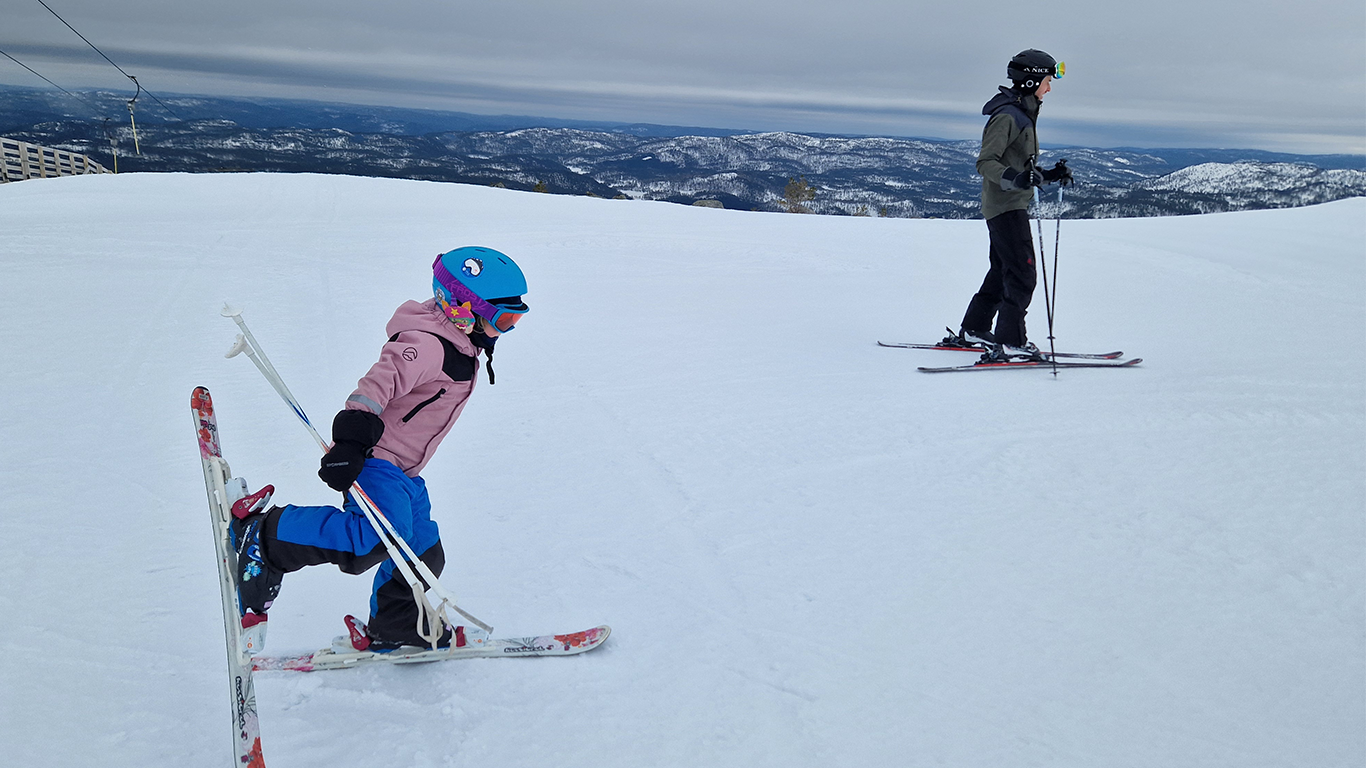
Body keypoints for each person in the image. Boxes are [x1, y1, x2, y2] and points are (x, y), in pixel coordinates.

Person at [228, 246, 530, 651]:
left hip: (404, 472)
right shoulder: (426, 345)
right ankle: (267, 537)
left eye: (514, 319)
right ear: (461, 308)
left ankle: (395, 622)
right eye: (503, 319)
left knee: (422, 552)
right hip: (374, 460)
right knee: (371, 539)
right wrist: (352, 440)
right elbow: (377, 384)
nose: (506, 329)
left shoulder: (460, 344)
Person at [953, 49, 1073, 361]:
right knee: (1023, 274)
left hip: (1008, 203)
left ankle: (974, 329)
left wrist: (1049, 175)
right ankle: (1010, 341)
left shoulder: (1023, 113)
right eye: (1048, 80)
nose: (1049, 87)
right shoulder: (1007, 116)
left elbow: (1023, 171)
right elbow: (986, 162)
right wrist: (1015, 180)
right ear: (1032, 79)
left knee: (1003, 268)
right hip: (1004, 206)